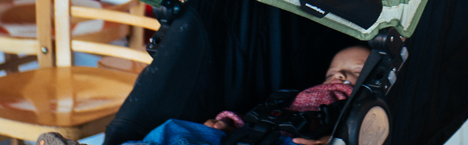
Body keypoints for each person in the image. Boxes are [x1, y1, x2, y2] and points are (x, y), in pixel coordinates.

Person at [37, 46, 370, 145]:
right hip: (242, 133)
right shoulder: (291, 95)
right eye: (333, 72)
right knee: (174, 131)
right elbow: (257, 112)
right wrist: (226, 123)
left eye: (355, 72)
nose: (341, 76)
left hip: (296, 141)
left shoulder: (360, 106)